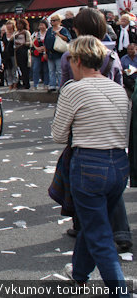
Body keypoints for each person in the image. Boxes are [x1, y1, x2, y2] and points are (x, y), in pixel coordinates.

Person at [51, 36, 130, 296]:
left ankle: (120, 292)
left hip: (89, 164)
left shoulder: (73, 89)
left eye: (71, 59)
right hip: (119, 164)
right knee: (93, 222)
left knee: (99, 235)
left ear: (79, 60)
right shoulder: (118, 89)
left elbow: (59, 135)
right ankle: (79, 275)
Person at [59, 7, 131, 255]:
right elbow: (122, 87)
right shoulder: (112, 56)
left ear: (77, 29)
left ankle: (84, 226)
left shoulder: (71, 56)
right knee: (110, 178)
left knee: (82, 177)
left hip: (83, 120)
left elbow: (64, 90)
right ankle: (119, 231)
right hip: (112, 124)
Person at [45, 14, 71, 92]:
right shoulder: (49, 30)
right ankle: (52, 85)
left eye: (54, 20)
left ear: (59, 21)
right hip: (50, 52)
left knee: (59, 70)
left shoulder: (63, 29)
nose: (52, 22)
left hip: (59, 52)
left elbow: (67, 39)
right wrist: (45, 52)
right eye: (51, 21)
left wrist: (59, 34)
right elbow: (46, 41)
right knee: (51, 70)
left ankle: (61, 85)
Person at [30, 20, 50, 90]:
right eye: (40, 25)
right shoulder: (36, 34)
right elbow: (32, 42)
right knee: (36, 68)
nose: (41, 26)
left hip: (46, 52)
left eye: (42, 25)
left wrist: (44, 49)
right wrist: (37, 48)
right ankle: (35, 84)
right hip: (37, 53)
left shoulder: (48, 33)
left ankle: (46, 83)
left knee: (46, 69)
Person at [13, 18, 32, 89]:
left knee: (25, 69)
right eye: (17, 24)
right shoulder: (16, 32)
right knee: (20, 68)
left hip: (24, 51)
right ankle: (21, 82)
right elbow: (11, 39)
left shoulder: (26, 32)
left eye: (20, 24)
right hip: (17, 52)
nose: (19, 25)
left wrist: (22, 43)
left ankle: (26, 84)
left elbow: (30, 43)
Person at [2, 20, 16, 89]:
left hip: (14, 53)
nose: (9, 26)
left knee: (14, 69)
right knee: (8, 70)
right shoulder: (4, 35)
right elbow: (3, 44)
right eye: (7, 24)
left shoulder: (15, 34)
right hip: (6, 54)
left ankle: (15, 83)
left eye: (10, 24)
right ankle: (10, 84)